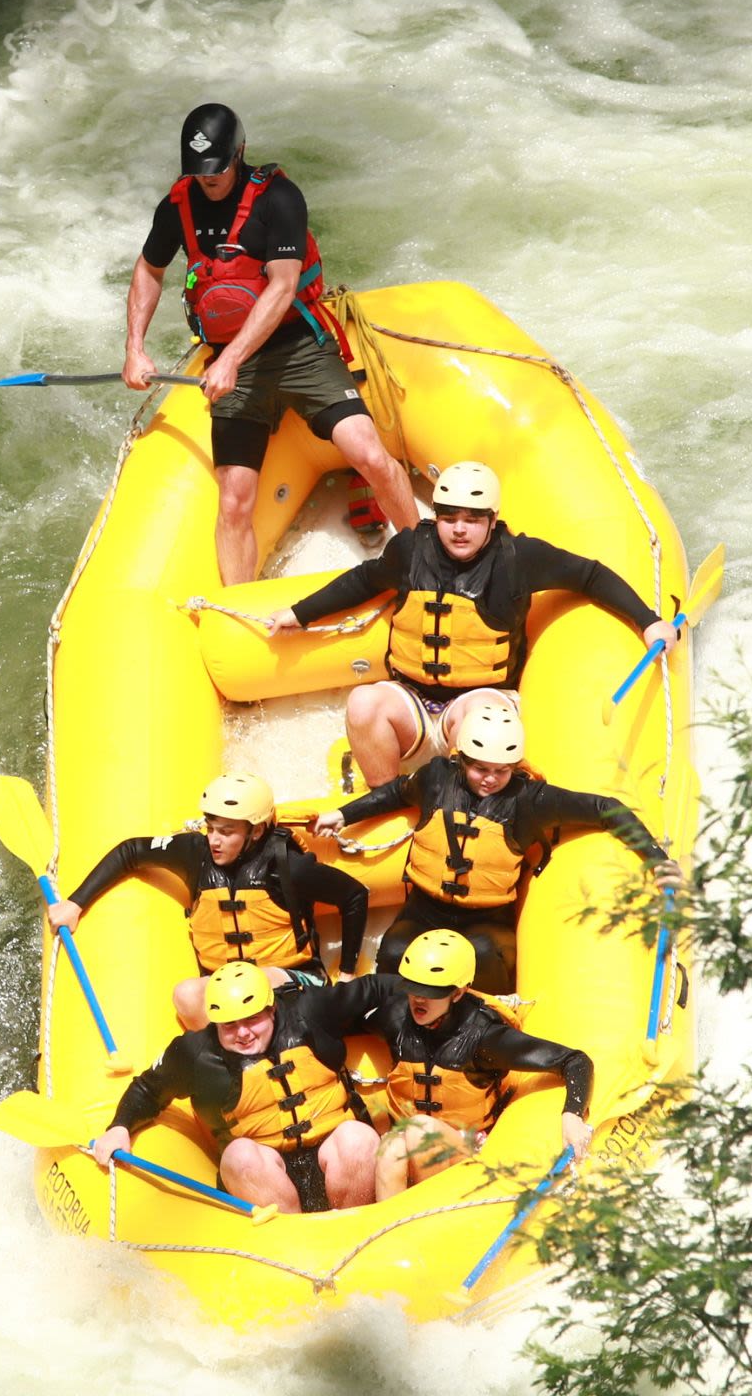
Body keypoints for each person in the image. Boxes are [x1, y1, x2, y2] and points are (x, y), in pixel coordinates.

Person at [122, 102, 418, 586]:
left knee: (367, 454)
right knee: (234, 500)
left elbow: (282, 287)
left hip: (299, 348)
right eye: (199, 171)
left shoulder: (278, 198)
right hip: (233, 364)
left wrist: (231, 360)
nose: (208, 179)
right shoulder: (178, 205)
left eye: (216, 169)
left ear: (239, 154)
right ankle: (237, 607)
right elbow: (149, 269)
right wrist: (134, 348)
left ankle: (424, 561)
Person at [266, 460, 684, 786]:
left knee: (478, 716)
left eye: (472, 519)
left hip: (481, 702)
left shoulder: (519, 558)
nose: (459, 530)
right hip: (412, 703)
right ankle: (385, 801)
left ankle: (458, 804)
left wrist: (648, 622)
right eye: (449, 519)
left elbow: (589, 575)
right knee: (363, 702)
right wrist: (299, 614)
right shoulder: (410, 549)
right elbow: (363, 580)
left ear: (492, 519)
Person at [312, 704, 681, 992]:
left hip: (487, 920)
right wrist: (344, 814)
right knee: (394, 950)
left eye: (501, 771)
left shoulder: (530, 800)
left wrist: (658, 861)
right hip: (424, 909)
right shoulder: (437, 778)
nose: (490, 779)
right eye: (480, 769)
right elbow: (396, 792)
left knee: (483, 955)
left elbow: (605, 809)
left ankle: (484, 1023)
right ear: (462, 761)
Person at [48, 773, 368, 1029]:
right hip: (224, 987)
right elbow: (131, 851)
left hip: (291, 979)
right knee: (186, 995)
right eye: (211, 828)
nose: (214, 840)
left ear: (256, 832)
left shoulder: (288, 867)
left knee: (262, 981)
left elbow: (354, 895)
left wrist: (347, 975)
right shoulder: (193, 854)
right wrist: (75, 904)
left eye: (226, 832)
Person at [90, 962, 382, 1214]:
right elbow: (147, 1089)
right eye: (229, 1025)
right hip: (265, 1174)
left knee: (358, 1137)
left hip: (334, 1156)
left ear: (271, 1009)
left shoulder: (309, 1011)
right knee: (238, 1154)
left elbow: (376, 988)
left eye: (252, 1019)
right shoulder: (196, 1052)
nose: (243, 1033)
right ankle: (290, 1240)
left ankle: (354, 1229)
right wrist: (119, 1126)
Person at [341, 930, 597, 1198]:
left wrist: (572, 1115)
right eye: (414, 989)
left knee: (422, 1131)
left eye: (430, 992)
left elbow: (575, 1061)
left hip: (467, 1147)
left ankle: (433, 1209)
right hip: (407, 1137)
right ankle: (395, 1220)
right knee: (392, 1147)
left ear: (458, 993)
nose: (418, 999)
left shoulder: (485, 1037)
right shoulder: (396, 1018)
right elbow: (346, 1022)